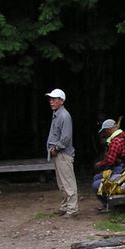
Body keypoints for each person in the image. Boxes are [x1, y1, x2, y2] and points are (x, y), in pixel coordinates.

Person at [45, 88, 78, 217]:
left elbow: (66, 137)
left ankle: (72, 209)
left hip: (63, 154)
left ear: (61, 101)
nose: (51, 101)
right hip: (58, 154)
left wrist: (56, 148)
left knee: (68, 182)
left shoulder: (64, 116)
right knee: (62, 183)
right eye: (50, 99)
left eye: (54, 99)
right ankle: (65, 207)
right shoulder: (57, 114)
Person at [92, 118, 125, 209]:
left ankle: (109, 205)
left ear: (109, 130)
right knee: (96, 177)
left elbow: (110, 160)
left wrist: (99, 164)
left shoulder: (116, 141)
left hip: (121, 170)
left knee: (96, 184)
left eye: (105, 131)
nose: (104, 133)